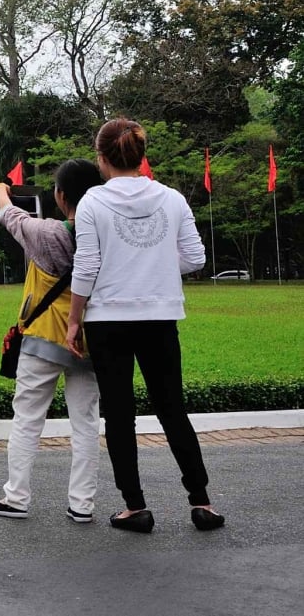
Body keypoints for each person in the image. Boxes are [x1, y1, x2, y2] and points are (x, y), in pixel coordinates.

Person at [66, 118, 224, 533]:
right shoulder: (172, 199)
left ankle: (135, 508)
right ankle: (202, 502)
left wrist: (72, 321)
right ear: (141, 155)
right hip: (160, 316)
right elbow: (195, 258)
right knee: (173, 409)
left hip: (107, 321)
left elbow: (85, 268)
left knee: (119, 415)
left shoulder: (93, 204)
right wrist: (153, 267)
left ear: (101, 158)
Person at [0, 160, 104, 523]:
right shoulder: (106, 234)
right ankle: (82, 504)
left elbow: (11, 217)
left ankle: (16, 497)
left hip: (43, 339)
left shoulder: (48, 234)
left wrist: (1, 190)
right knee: (86, 423)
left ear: (60, 195)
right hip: (89, 340)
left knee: (28, 419)